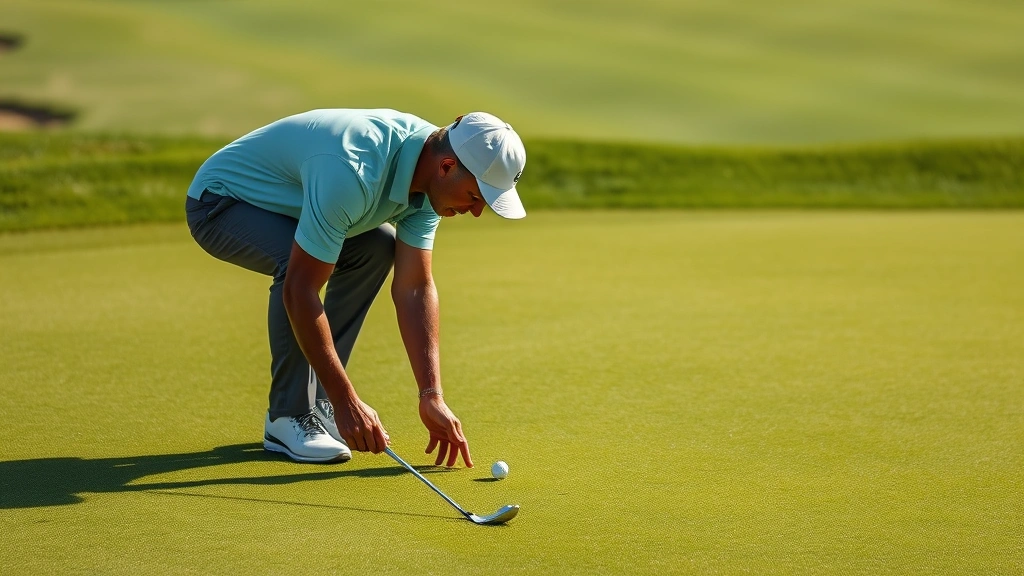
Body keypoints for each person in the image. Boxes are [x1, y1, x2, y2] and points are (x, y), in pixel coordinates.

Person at [184, 109, 526, 467]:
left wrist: (431, 395)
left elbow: (414, 287)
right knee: (295, 266)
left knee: (377, 248)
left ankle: (321, 402)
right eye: (474, 196)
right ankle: (288, 415)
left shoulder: (431, 175)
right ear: (446, 167)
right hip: (222, 202)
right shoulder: (354, 170)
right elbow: (301, 290)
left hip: (292, 205)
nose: (476, 211)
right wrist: (347, 400)